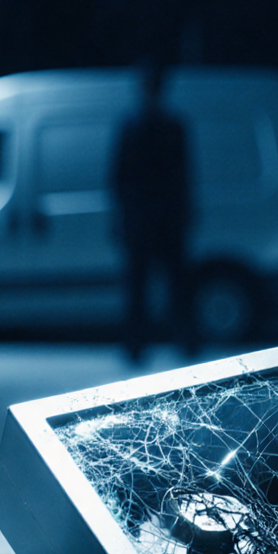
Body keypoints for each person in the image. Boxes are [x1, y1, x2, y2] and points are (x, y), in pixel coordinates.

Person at [112, 59, 197, 364]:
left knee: (142, 286)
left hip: (144, 220)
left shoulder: (133, 126)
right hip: (165, 219)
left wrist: (121, 219)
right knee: (169, 285)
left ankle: (138, 347)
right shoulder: (171, 126)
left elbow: (118, 178)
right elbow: (183, 176)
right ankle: (181, 342)